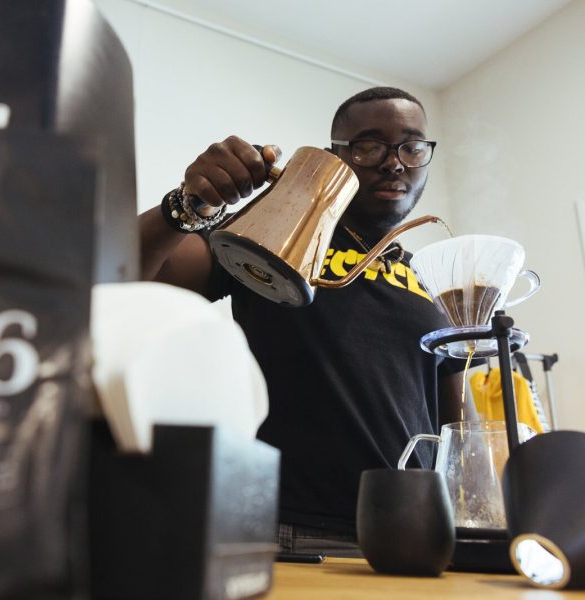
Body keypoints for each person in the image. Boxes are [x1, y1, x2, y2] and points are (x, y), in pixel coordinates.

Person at [139, 87, 474, 556]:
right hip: (289, 530)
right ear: (335, 156)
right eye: (370, 146)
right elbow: (128, 274)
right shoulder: (277, 232)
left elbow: (460, 427)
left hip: (416, 533)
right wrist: (188, 205)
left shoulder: (431, 282)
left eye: (412, 147)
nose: (394, 163)